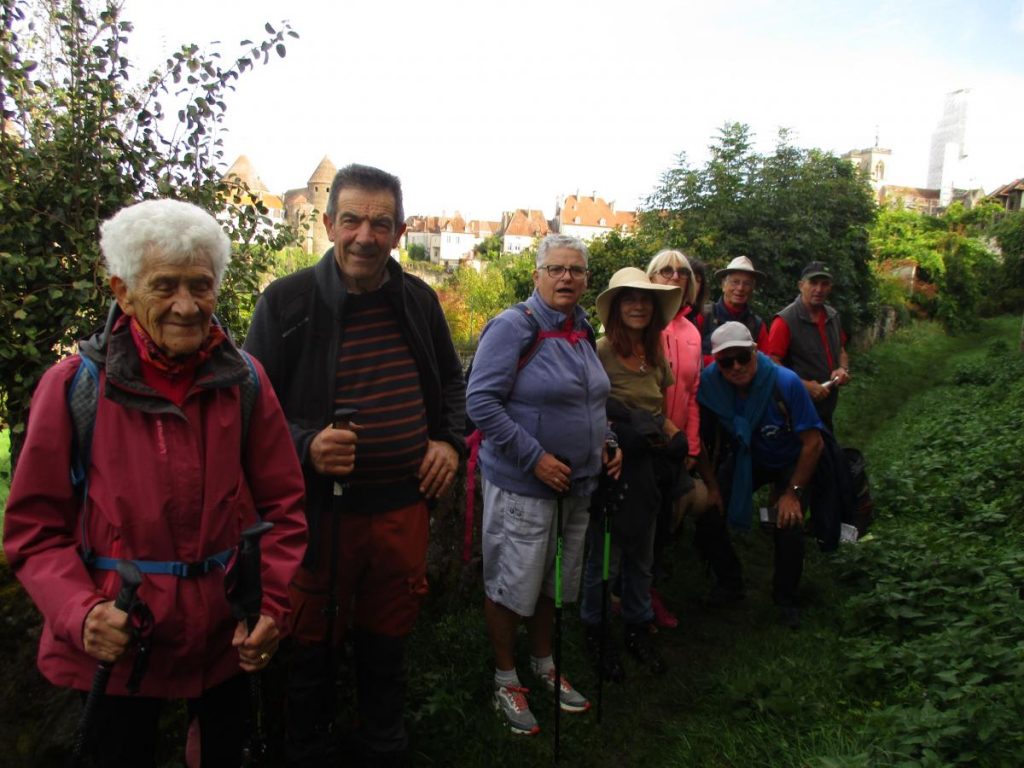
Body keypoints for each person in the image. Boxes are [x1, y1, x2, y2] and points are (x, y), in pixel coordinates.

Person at [3, 199, 308, 766]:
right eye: (164, 286)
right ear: (122, 292)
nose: (187, 306)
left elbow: (283, 507)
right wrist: (80, 613)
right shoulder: (74, 387)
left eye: (201, 285)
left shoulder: (244, 381)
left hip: (225, 643)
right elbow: (34, 529)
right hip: (117, 643)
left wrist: (270, 605)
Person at [243, 164, 466, 766]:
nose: (365, 236)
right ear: (328, 223)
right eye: (352, 221)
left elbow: (452, 382)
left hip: (402, 509)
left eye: (380, 224)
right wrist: (306, 445)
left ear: (399, 233)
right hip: (318, 516)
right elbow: (248, 408)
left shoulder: (417, 300)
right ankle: (307, 750)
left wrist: (449, 442)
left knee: (387, 640)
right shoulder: (287, 302)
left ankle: (382, 744)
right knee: (310, 643)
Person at [466, 234, 621, 735]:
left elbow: (591, 400)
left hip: (576, 486)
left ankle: (544, 664)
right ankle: (505, 678)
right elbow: (480, 402)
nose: (566, 277)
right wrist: (535, 459)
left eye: (576, 270)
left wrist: (607, 440)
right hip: (523, 486)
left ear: (587, 280)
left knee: (552, 584)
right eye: (556, 268)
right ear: (536, 275)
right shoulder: (514, 327)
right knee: (510, 585)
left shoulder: (582, 328)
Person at [579, 267, 684, 676]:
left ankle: (637, 626)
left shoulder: (655, 352)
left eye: (645, 300)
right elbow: (588, 407)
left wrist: (676, 437)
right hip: (614, 463)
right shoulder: (601, 351)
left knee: (643, 554)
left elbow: (660, 408)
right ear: (616, 308)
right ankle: (595, 629)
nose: (639, 306)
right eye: (629, 299)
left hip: (650, 466)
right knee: (604, 558)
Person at [697, 322, 829, 629]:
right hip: (748, 457)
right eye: (726, 361)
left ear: (755, 351)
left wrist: (793, 493)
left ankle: (786, 598)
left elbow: (813, 443)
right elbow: (699, 439)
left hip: (791, 458)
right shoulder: (710, 386)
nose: (736, 367)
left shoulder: (785, 383)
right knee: (707, 511)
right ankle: (729, 582)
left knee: (789, 522)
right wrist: (712, 486)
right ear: (716, 362)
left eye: (743, 357)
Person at [644, 249, 709, 629]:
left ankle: (649, 589)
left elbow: (693, 392)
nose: (674, 276)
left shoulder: (692, 333)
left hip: (677, 446)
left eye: (681, 271)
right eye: (665, 270)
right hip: (644, 442)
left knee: (669, 518)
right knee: (642, 524)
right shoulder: (642, 323)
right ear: (651, 277)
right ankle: (626, 595)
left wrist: (693, 444)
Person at [765, 261, 851, 432]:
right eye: (813, 283)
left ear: (830, 288)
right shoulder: (784, 321)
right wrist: (804, 386)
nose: (819, 289)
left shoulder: (832, 316)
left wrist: (842, 368)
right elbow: (771, 363)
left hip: (826, 405)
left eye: (824, 284)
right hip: (796, 407)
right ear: (801, 285)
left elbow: (841, 350)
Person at [700, 255, 769, 365]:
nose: (740, 288)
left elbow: (765, 364)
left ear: (752, 289)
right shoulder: (703, 315)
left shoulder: (757, 325)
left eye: (747, 283)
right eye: (735, 282)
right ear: (723, 285)